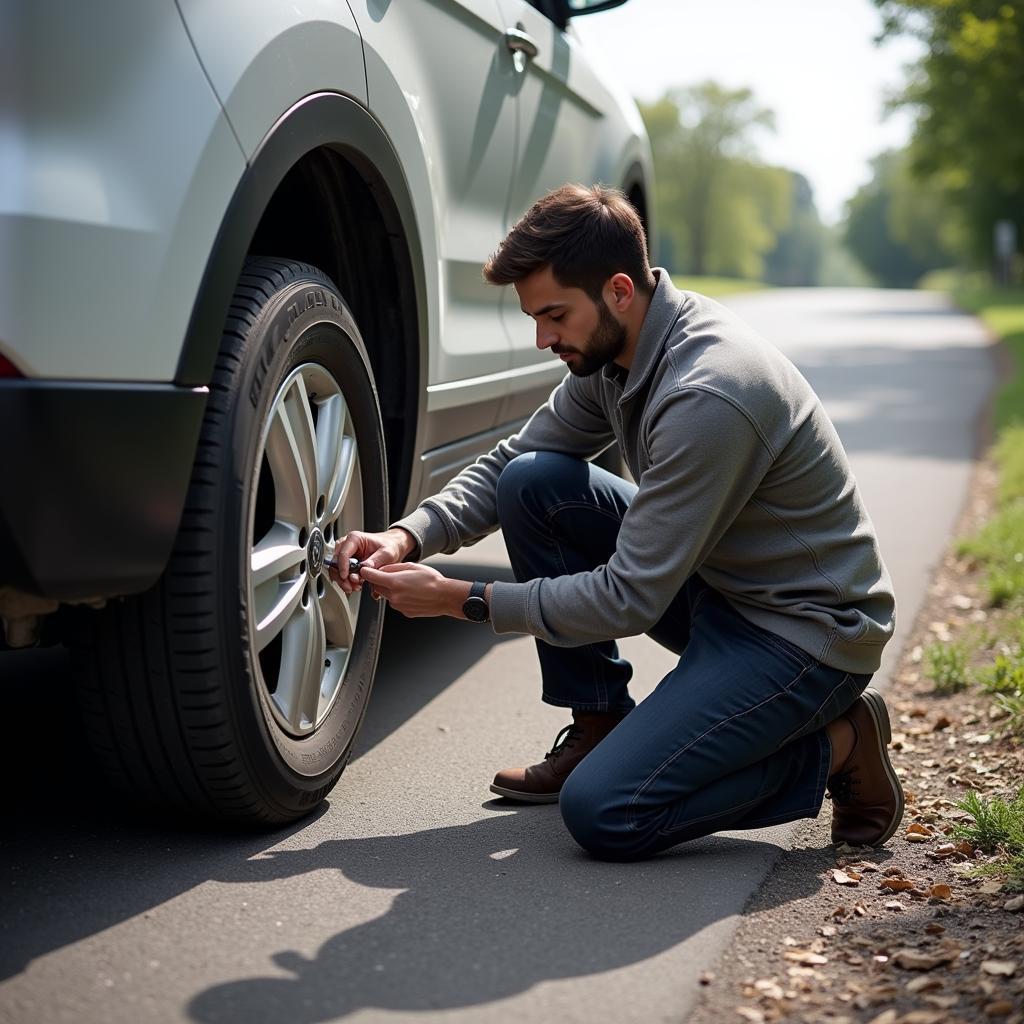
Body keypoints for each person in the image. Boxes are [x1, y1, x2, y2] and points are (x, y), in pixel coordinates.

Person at [328, 184, 903, 861]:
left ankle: (839, 746)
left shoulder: (707, 394)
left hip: (806, 635)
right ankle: (599, 721)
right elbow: (516, 458)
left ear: (620, 290)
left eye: (554, 316)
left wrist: (466, 599)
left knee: (607, 812)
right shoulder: (616, 351)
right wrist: (408, 533)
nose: (543, 339)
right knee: (534, 480)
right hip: (722, 588)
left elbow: (630, 596)